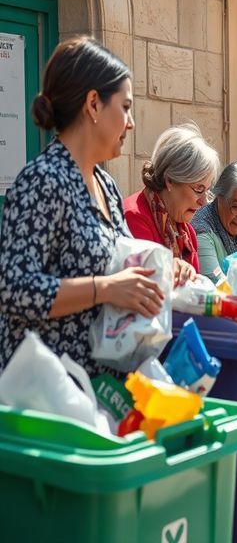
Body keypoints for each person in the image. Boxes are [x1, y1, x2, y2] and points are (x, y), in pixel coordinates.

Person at [0, 37, 165, 377]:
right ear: (93, 103)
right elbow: (13, 289)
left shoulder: (105, 184)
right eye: (125, 106)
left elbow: (120, 267)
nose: (131, 123)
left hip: (97, 389)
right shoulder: (44, 180)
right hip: (49, 396)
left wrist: (160, 272)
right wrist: (103, 288)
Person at [124, 123, 219, 277]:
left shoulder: (188, 234)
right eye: (199, 189)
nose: (204, 202)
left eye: (207, 191)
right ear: (170, 180)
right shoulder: (134, 217)